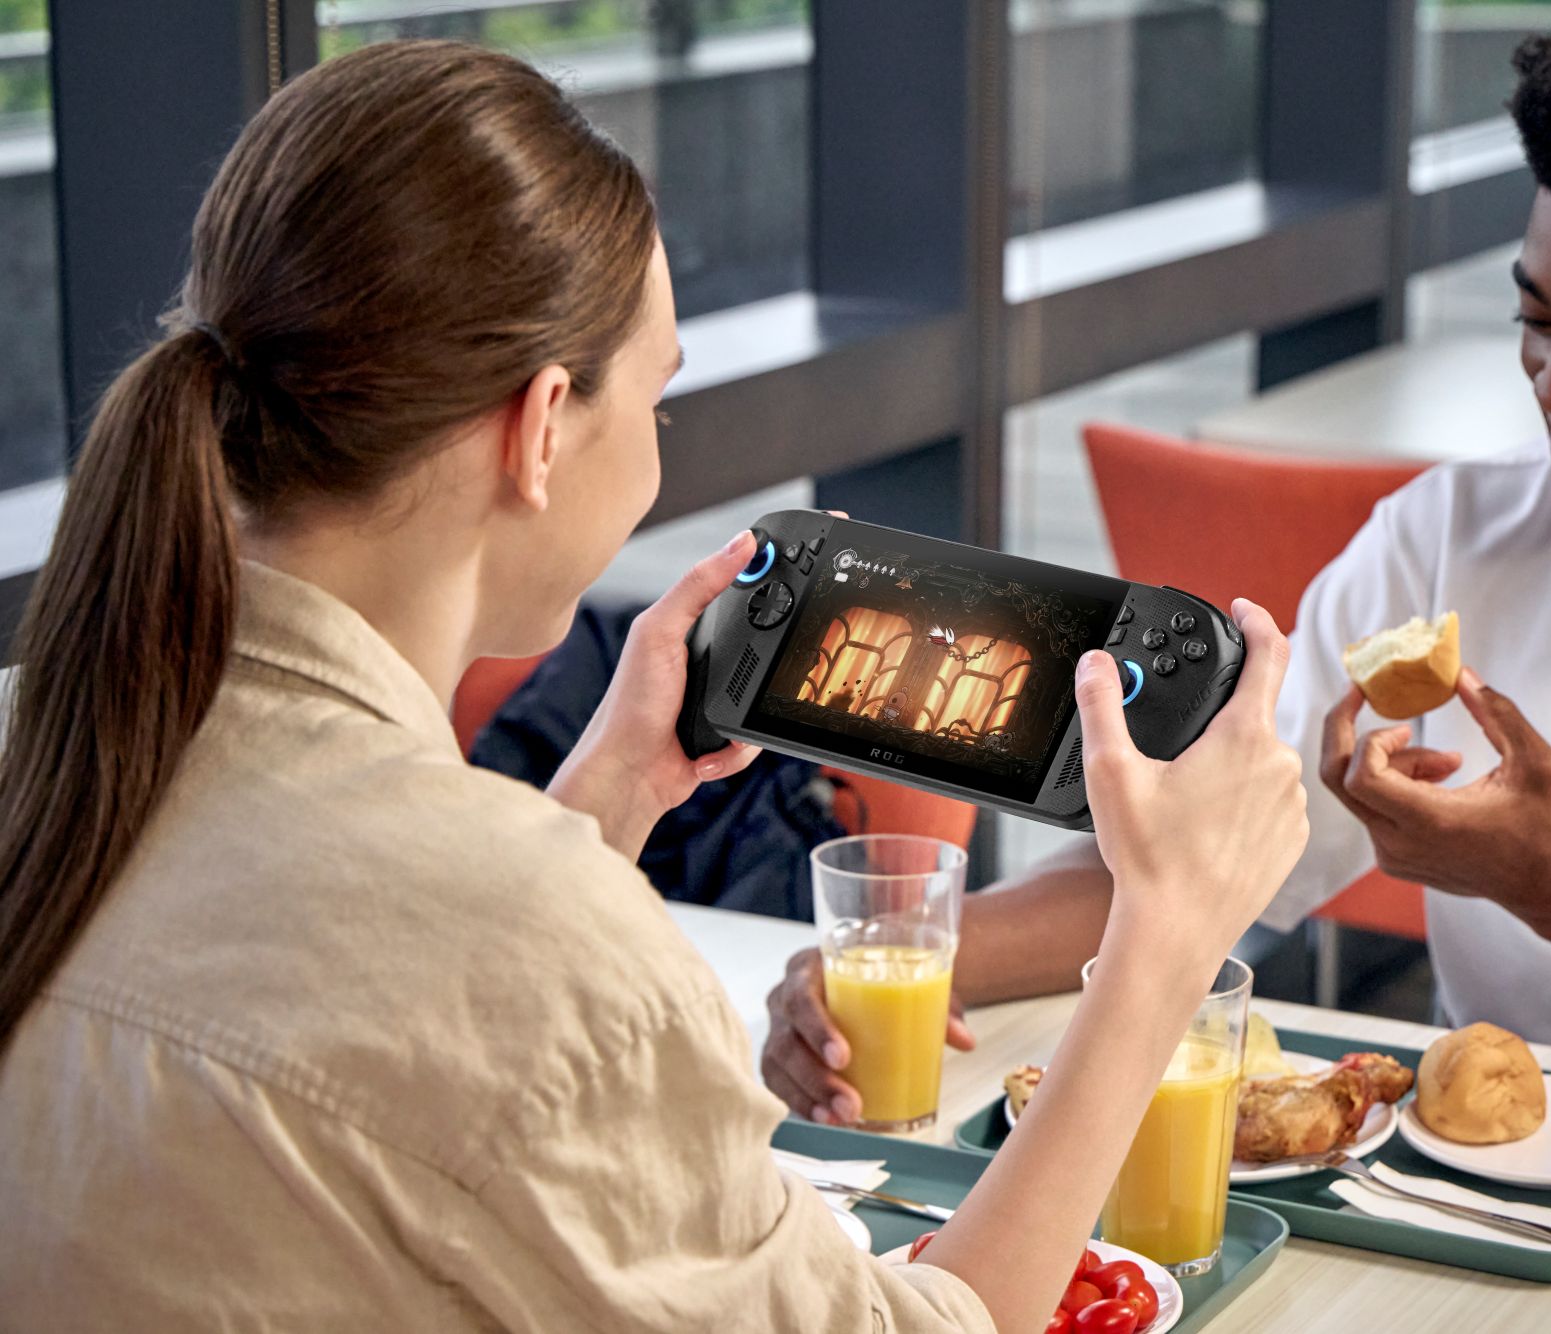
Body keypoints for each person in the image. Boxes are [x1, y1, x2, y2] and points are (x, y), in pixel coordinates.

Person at [0, 41, 1310, 1333]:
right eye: (659, 401)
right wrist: (1166, 943)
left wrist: (608, 798)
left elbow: (405, 1038)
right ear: (541, 427)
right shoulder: (532, 932)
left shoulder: (56, 746)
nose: (660, 456)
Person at [762, 2, 1551, 1325]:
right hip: (1478, 1197)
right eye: (1538, 318)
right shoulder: (1449, 539)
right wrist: (907, 960)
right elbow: (1194, 862)